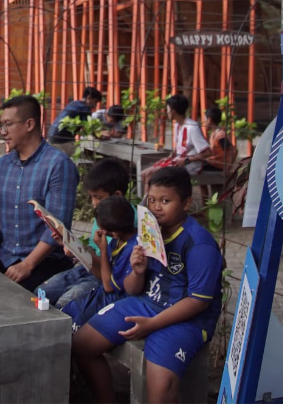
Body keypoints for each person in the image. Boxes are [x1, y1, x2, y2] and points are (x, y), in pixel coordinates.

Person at [72, 167, 223, 404]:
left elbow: (198, 301)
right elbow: (132, 290)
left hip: (186, 319)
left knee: (160, 389)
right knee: (81, 345)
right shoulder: (151, 232)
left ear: (186, 204)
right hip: (148, 303)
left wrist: (152, 325)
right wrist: (139, 272)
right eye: (152, 200)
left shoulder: (199, 244)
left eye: (165, 201)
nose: (156, 207)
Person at [0, 95, 79, 291]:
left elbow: (57, 226)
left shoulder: (58, 165)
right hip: (2, 254)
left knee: (14, 298)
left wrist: (27, 265)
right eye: (2, 125)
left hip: (44, 261)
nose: (3, 132)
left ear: (29, 124)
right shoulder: (2, 165)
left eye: (8, 125)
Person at [36, 157, 131, 307]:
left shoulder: (124, 222)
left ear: (117, 195)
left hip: (104, 276)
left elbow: (110, 267)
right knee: (41, 292)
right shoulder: (101, 216)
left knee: (66, 302)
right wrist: (71, 245)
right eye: (92, 197)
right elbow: (94, 253)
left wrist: (80, 252)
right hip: (88, 269)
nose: (93, 202)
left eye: (98, 197)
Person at [61, 195, 137, 333]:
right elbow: (103, 271)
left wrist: (102, 250)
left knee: (72, 327)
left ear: (113, 232)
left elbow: (108, 286)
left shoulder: (131, 249)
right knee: (66, 311)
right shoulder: (118, 240)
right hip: (100, 293)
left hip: (113, 299)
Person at [140, 94, 211, 190]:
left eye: (167, 109)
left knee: (149, 174)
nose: (166, 112)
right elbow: (178, 148)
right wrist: (169, 157)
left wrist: (186, 160)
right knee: (144, 174)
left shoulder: (192, 127)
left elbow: (208, 152)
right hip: (178, 162)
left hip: (190, 166)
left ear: (173, 111)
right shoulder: (178, 125)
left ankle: (149, 203)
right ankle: (148, 202)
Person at [48, 87, 103, 154]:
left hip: (51, 137)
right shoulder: (85, 108)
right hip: (62, 141)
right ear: (89, 98)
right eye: (95, 102)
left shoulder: (74, 103)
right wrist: (100, 136)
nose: (95, 106)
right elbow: (89, 129)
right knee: (75, 156)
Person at [203, 106, 238, 172]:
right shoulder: (214, 133)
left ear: (209, 120)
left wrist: (227, 168)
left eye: (205, 119)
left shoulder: (220, 135)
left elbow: (233, 151)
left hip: (218, 166)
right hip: (213, 163)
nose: (204, 122)